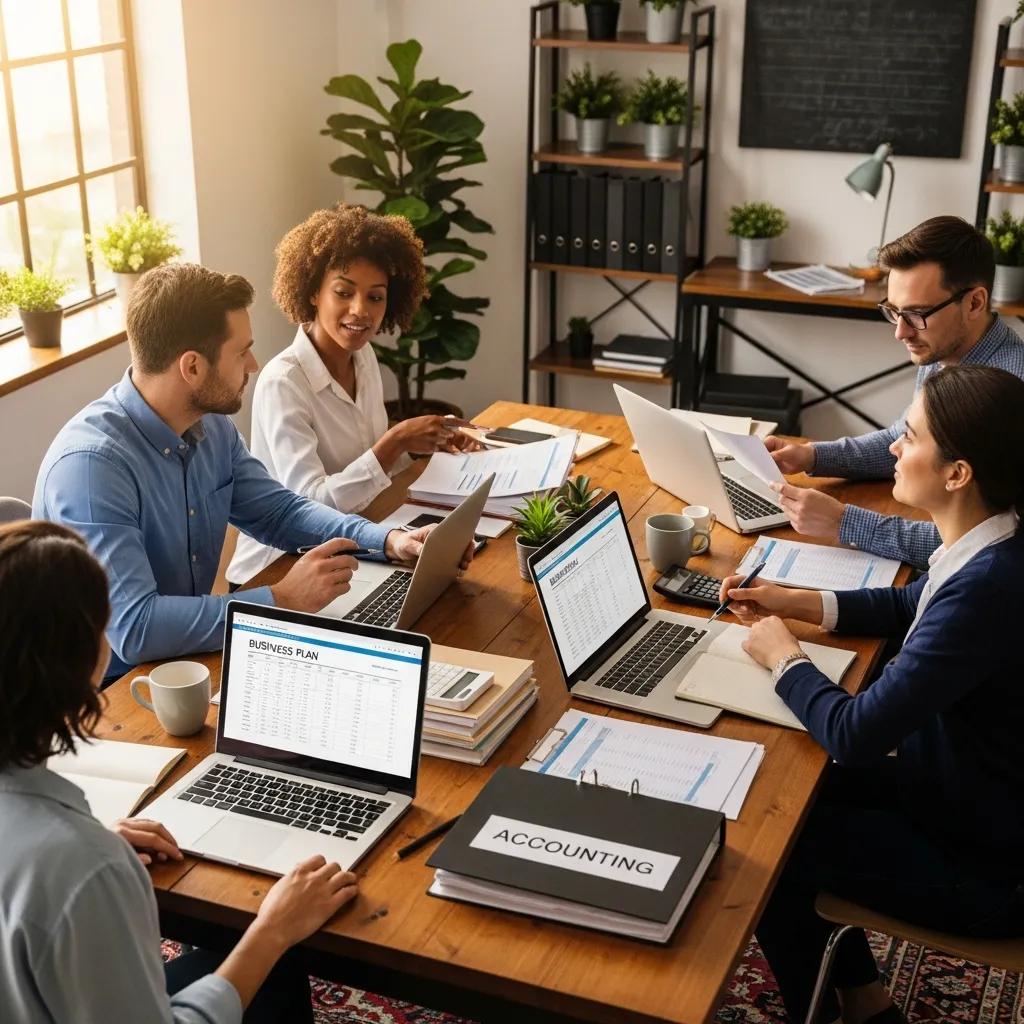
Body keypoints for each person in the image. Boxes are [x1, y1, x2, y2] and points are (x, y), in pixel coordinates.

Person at [720, 364, 1024, 1024]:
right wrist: (796, 602)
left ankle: (837, 1011)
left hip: (987, 867)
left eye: (909, 437)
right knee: (784, 792)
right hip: (970, 800)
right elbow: (913, 603)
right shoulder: (996, 541)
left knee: (767, 841)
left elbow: (856, 736)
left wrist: (785, 658)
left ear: (957, 474)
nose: (893, 447)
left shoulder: (988, 589)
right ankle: (861, 997)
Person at [0, 519, 359, 1023]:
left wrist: (91, 845)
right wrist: (274, 929)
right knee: (274, 962)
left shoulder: (69, 856)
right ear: (86, 658)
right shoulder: (82, 868)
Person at [32, 263, 443, 683]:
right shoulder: (91, 469)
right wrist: (281, 599)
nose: (253, 364)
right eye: (241, 352)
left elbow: (281, 513)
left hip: (186, 663)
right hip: (102, 699)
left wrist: (389, 541)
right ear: (192, 367)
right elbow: (136, 628)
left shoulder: (209, 425)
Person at [228, 204, 481, 587]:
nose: (360, 311)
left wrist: (425, 445)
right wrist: (395, 441)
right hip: (279, 570)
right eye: (343, 292)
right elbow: (310, 507)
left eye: (375, 297)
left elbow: (378, 471)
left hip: (362, 540)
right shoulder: (284, 382)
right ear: (313, 292)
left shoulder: (362, 356)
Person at [766, 215, 1024, 568]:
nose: (901, 332)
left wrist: (845, 522)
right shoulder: (944, 353)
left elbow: (987, 545)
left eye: (917, 314)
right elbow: (902, 441)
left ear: (975, 303)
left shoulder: (1011, 391)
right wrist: (810, 456)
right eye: (894, 311)